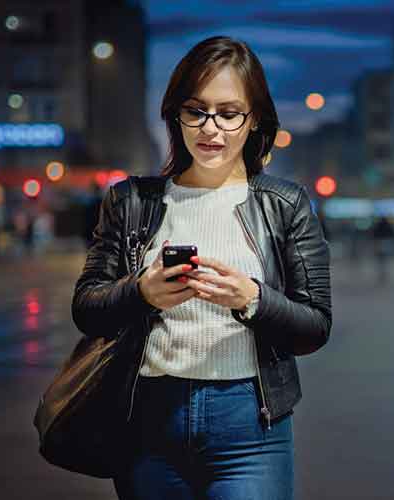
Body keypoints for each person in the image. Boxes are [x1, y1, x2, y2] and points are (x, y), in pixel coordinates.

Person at [71, 37, 332, 500]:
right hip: (147, 421)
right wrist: (142, 292)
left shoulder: (285, 204)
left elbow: (314, 326)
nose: (211, 128)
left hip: (251, 426)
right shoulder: (131, 200)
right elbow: (87, 308)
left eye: (229, 113)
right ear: (176, 114)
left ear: (254, 121)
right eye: (197, 110)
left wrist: (251, 299)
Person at [371, 216, 394, 284]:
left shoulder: (378, 225)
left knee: (381, 259)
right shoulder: (388, 225)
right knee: (385, 258)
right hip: (387, 242)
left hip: (380, 242)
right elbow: (393, 233)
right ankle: (384, 272)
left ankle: (382, 272)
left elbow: (374, 233)